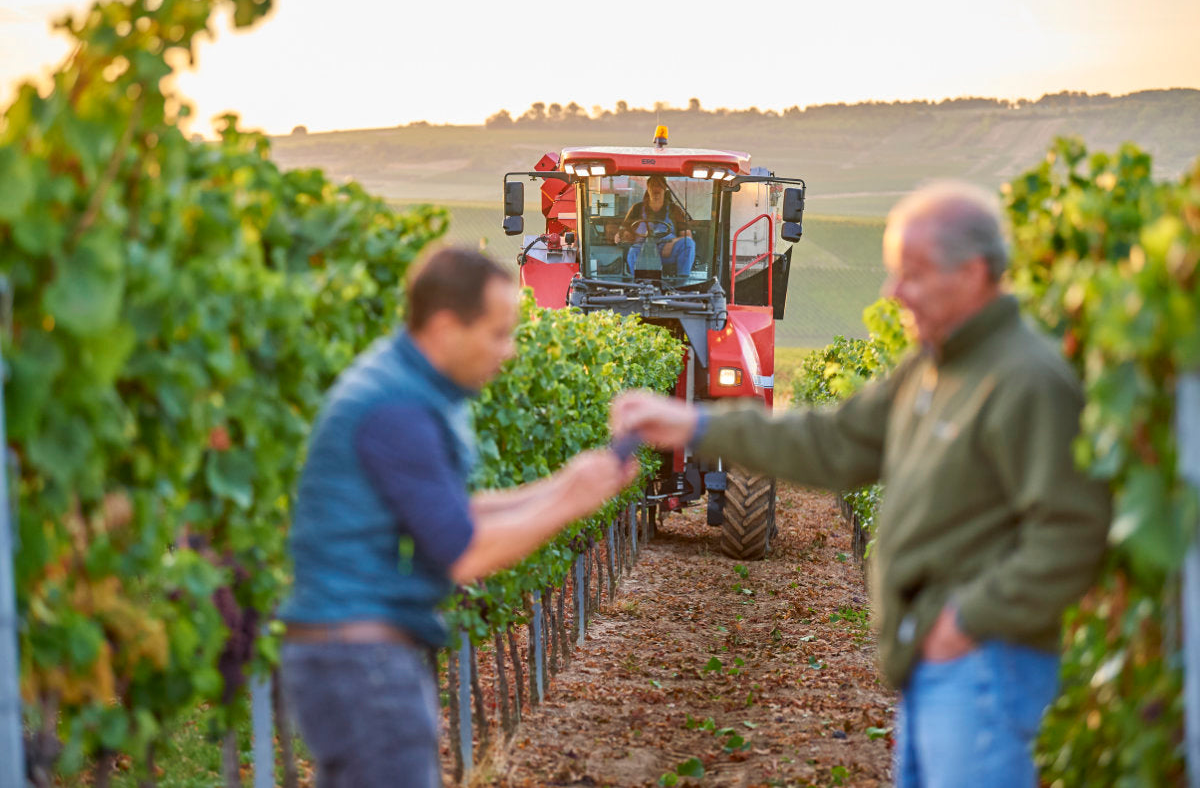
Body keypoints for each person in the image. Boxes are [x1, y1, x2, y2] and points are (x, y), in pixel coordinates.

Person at [610, 182, 1111, 788]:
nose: (893, 292)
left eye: (914, 274)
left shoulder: (1026, 378)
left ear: (974, 273)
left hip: (984, 664)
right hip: (933, 663)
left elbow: (1073, 531)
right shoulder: (934, 365)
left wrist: (967, 621)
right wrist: (698, 422)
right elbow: (835, 442)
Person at [278, 246, 637, 788]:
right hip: (359, 660)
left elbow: (455, 513)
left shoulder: (403, 386)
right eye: (497, 333)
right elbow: (463, 551)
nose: (510, 351)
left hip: (348, 653)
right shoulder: (397, 407)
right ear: (447, 328)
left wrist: (566, 484)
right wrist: (570, 501)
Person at [615, 175, 696, 276]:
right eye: (653, 185)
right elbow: (623, 232)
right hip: (641, 249)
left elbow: (687, 236)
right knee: (632, 252)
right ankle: (635, 284)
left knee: (688, 243)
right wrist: (622, 235)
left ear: (664, 189)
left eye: (659, 185)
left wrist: (673, 242)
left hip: (666, 250)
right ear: (648, 188)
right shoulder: (637, 208)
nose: (656, 189)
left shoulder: (675, 210)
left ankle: (682, 281)